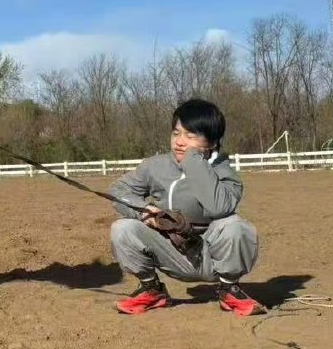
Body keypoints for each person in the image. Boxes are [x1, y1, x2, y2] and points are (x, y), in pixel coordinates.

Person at [108, 98, 263, 317]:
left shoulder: (226, 174)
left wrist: (193, 161)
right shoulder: (155, 166)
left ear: (212, 141)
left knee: (235, 225)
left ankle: (229, 289)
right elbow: (119, 190)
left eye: (190, 136)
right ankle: (152, 290)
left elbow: (219, 207)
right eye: (176, 133)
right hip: (172, 253)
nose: (179, 142)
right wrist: (145, 211)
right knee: (122, 228)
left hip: (212, 258)